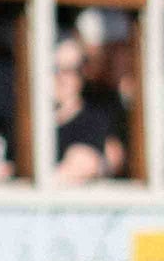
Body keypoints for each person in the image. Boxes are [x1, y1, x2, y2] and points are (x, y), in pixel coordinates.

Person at [52, 32, 123, 183]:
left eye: (72, 70)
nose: (62, 78)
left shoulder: (96, 120)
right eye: (55, 69)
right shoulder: (26, 122)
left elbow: (85, 162)